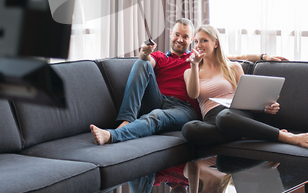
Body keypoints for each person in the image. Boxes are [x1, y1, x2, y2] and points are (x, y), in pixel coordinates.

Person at [90, 18, 288, 145]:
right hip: (157, 99)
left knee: (157, 116)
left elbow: (233, 57)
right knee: (141, 64)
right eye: (177, 34)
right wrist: (143, 54)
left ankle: (113, 136)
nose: (180, 39)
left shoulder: (197, 60)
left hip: (183, 108)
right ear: (171, 35)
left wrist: (262, 56)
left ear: (190, 39)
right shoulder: (160, 57)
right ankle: (126, 120)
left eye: (186, 37)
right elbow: (144, 65)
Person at [182, 25, 308, 149]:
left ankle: (285, 137)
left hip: (234, 114)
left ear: (215, 43)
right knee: (188, 129)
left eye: (204, 40)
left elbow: (246, 101)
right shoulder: (190, 72)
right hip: (211, 120)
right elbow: (193, 94)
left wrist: (264, 107)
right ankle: (248, 134)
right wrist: (194, 65)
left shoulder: (233, 67)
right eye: (196, 41)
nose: (199, 45)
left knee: (224, 117)